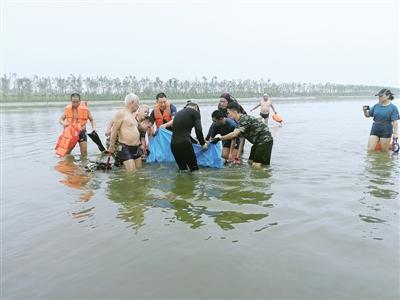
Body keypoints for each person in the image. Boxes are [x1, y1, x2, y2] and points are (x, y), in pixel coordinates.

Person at [214, 102, 273, 168]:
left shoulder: (243, 119)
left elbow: (234, 134)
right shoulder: (239, 123)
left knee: (256, 165)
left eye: (228, 113)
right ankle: (264, 173)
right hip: (257, 143)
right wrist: (237, 157)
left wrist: (220, 138)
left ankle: (265, 174)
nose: (227, 115)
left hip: (264, 141)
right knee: (250, 162)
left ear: (234, 111)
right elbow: (241, 141)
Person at [108, 93, 142, 172]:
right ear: (132, 102)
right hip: (126, 147)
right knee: (132, 172)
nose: (138, 105)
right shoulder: (121, 113)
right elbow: (114, 130)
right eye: (138, 103)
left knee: (139, 171)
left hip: (136, 148)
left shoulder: (132, 115)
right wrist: (111, 146)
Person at [171, 101, 208, 171]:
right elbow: (199, 130)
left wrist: (196, 142)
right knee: (194, 169)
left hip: (173, 145)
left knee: (183, 170)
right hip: (185, 144)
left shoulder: (178, 113)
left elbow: (182, 133)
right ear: (196, 107)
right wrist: (203, 144)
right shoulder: (195, 112)